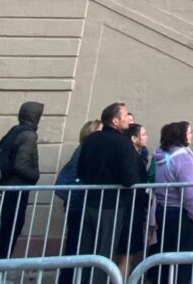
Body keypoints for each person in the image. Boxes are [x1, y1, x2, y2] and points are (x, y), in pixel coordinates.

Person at [76, 102, 145, 284]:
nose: (127, 121)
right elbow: (130, 179)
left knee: (86, 252)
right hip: (112, 205)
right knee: (104, 252)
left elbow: (80, 170)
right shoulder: (123, 144)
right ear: (115, 121)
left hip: (89, 201)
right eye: (124, 116)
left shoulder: (91, 139)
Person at [0, 101, 43, 277]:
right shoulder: (28, 135)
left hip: (9, 186)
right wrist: (35, 175)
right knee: (11, 229)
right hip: (17, 188)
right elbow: (21, 164)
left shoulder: (14, 132)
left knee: (7, 228)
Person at [152, 121, 193, 284]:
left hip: (163, 211)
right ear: (180, 135)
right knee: (184, 262)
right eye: (189, 132)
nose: (191, 135)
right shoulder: (183, 158)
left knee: (166, 258)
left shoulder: (161, 156)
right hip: (181, 214)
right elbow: (189, 194)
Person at [56, 120, 102, 284]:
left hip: (78, 203)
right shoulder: (85, 151)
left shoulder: (83, 150)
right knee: (76, 245)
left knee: (77, 245)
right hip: (79, 204)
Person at [116, 122, 154, 277]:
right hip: (131, 211)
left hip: (126, 209)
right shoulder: (134, 159)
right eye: (143, 134)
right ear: (133, 138)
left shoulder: (129, 156)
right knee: (127, 255)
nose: (146, 137)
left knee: (121, 254)